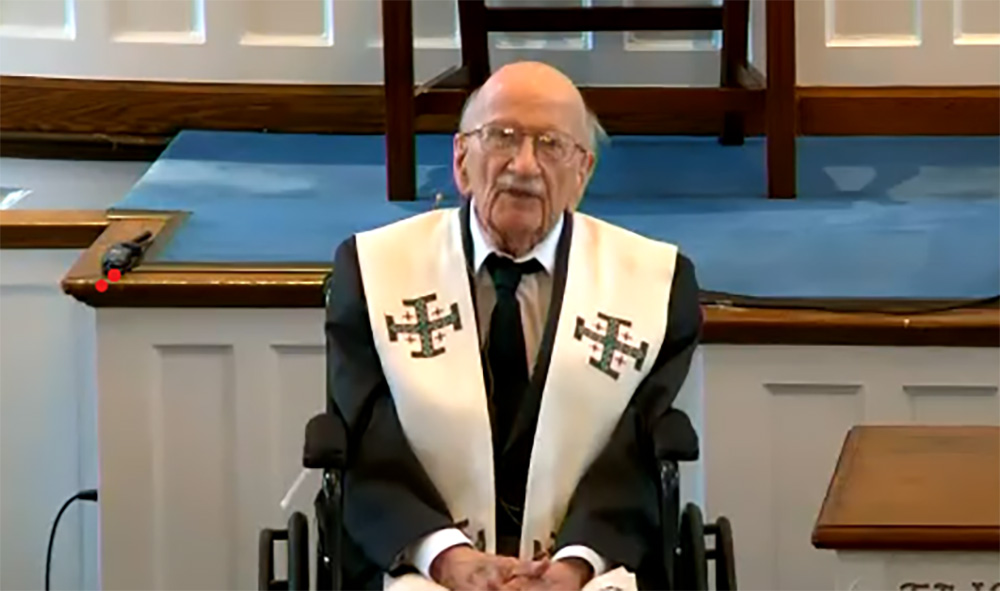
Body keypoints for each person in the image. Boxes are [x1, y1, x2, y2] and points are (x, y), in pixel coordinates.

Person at [326, 60, 702, 591]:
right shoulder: (373, 270)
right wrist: (448, 557)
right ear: (460, 159)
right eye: (502, 137)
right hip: (420, 567)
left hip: (589, 567)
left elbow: (638, 451)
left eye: (551, 145)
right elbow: (363, 434)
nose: (523, 166)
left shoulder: (654, 283)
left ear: (583, 173)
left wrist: (572, 566)